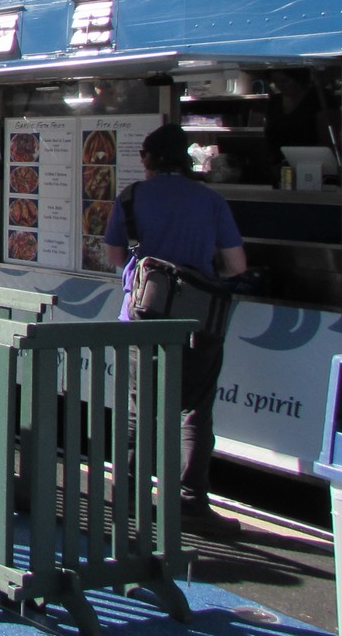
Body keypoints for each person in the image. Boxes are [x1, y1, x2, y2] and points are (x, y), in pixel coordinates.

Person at [104, 122, 248, 537]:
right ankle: (190, 502)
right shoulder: (211, 199)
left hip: (142, 320)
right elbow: (236, 265)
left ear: (147, 159)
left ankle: (128, 498)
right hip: (197, 323)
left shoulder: (130, 198)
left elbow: (114, 255)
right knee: (195, 411)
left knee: (139, 409)